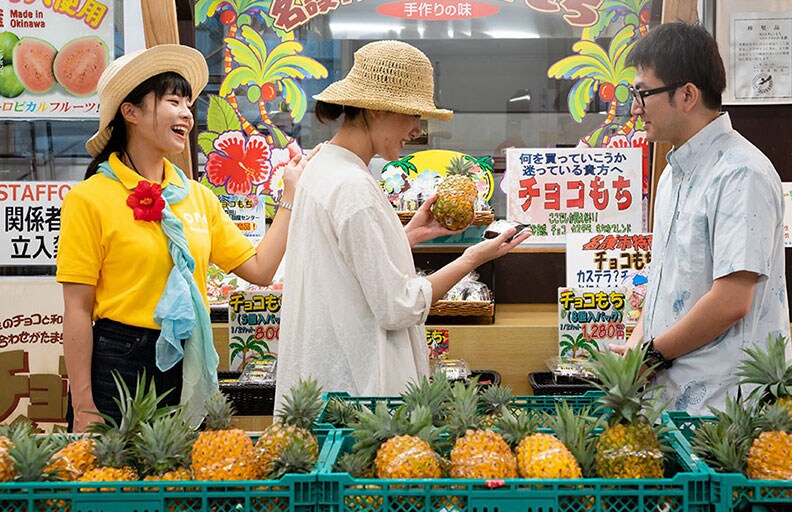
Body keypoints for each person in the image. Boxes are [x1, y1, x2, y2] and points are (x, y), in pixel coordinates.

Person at [57, 44, 315, 431]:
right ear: (130, 112)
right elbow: (77, 310)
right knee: (116, 483)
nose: (187, 114)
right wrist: (83, 405)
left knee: (180, 482)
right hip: (119, 360)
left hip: (186, 357)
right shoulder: (88, 199)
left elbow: (260, 270)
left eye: (188, 103)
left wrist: (290, 196)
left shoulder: (197, 197)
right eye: (173, 101)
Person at [275, 40, 531, 399]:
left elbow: (346, 261)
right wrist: (472, 259)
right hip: (360, 389)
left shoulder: (324, 168)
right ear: (378, 110)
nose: (416, 129)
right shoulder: (353, 187)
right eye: (413, 115)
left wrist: (406, 234)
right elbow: (399, 306)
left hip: (328, 377)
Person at [614, 21, 790, 415]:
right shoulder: (673, 173)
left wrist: (651, 355)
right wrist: (637, 345)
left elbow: (731, 301)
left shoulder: (741, 173)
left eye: (643, 93)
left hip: (721, 410)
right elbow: (664, 277)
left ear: (687, 95)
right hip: (671, 399)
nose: (635, 107)